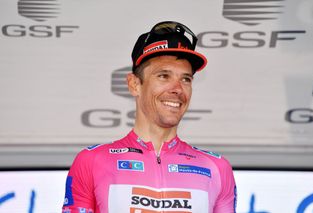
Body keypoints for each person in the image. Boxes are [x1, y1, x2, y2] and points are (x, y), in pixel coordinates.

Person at [62, 21, 237, 213]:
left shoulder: (217, 168)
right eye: (163, 76)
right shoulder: (92, 161)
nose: (177, 89)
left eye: (185, 79)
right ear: (134, 84)